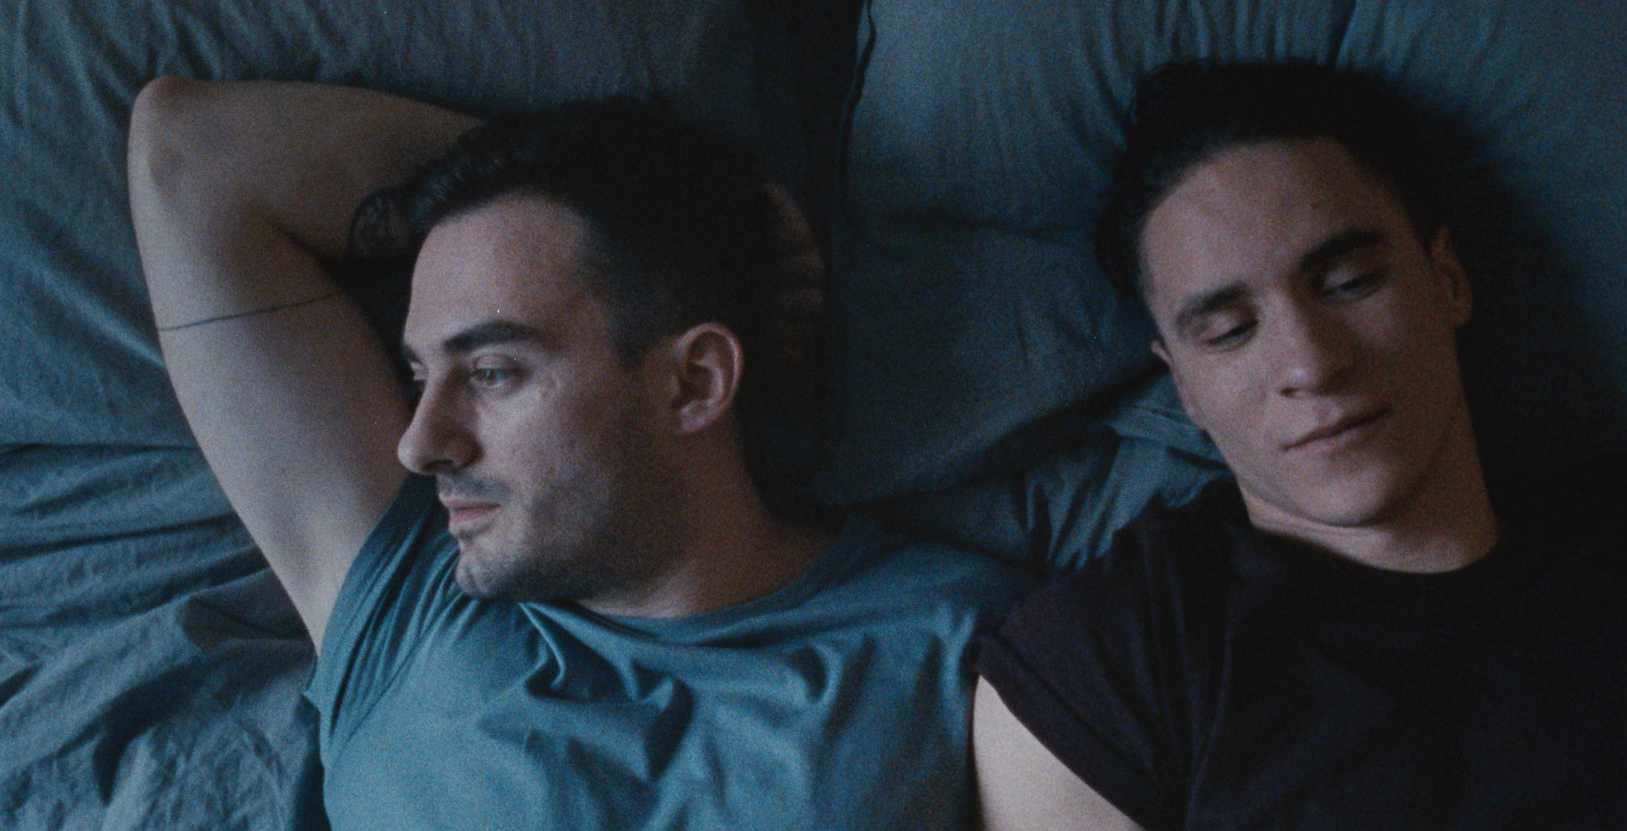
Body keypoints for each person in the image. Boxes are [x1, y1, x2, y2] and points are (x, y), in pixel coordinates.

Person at [128, 78, 1029, 829]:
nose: (420, 441)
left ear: (693, 382)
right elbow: (188, 154)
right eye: (419, 374)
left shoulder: (957, 642)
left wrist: (663, 222)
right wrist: (652, 204)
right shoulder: (404, 604)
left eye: (490, 371)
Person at [970, 60, 1627, 829]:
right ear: (1184, 386)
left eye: (1350, 282)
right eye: (1230, 330)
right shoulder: (1105, 660)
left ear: (1448, 280)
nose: (1311, 363)